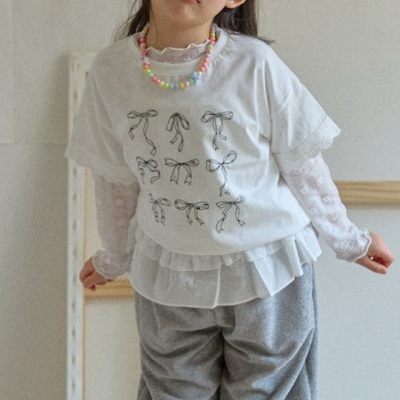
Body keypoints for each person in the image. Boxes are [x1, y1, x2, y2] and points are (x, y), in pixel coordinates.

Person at [65, 0, 394, 398]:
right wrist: (113, 258)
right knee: (173, 390)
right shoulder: (111, 72)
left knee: (269, 390)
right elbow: (114, 180)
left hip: (269, 272)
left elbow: (304, 165)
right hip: (169, 278)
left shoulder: (255, 64)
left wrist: (350, 240)